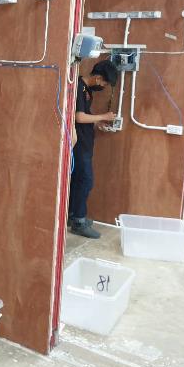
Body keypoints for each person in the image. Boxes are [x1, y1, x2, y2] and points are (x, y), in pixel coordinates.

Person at [68, 60, 119, 239]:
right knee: (86, 181)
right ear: (98, 78)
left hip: (86, 144)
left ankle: (73, 215)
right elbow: (79, 117)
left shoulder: (86, 90)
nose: (103, 86)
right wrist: (104, 116)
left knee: (79, 182)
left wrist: (97, 123)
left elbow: (86, 116)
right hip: (80, 146)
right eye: (105, 83)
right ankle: (79, 222)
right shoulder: (78, 88)